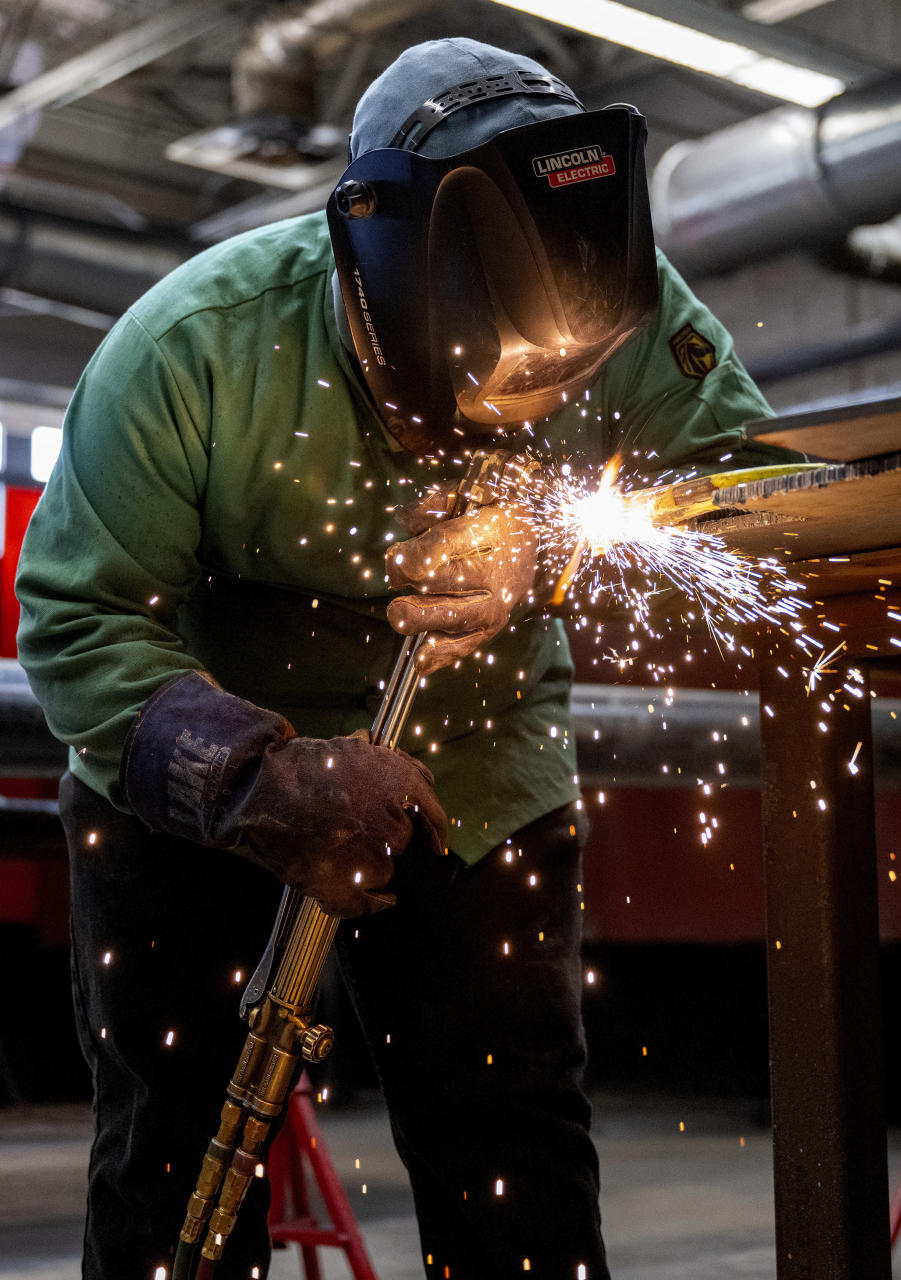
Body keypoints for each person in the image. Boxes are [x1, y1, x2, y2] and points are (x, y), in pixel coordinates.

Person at [16, 36, 801, 1280]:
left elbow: (757, 509)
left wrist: (551, 553)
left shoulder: (628, 309)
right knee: (169, 1159)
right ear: (363, 268)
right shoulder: (194, 348)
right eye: (462, 390)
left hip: (479, 774)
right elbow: (70, 622)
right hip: (195, 783)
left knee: (511, 1158)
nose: (514, 417)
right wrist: (253, 780)